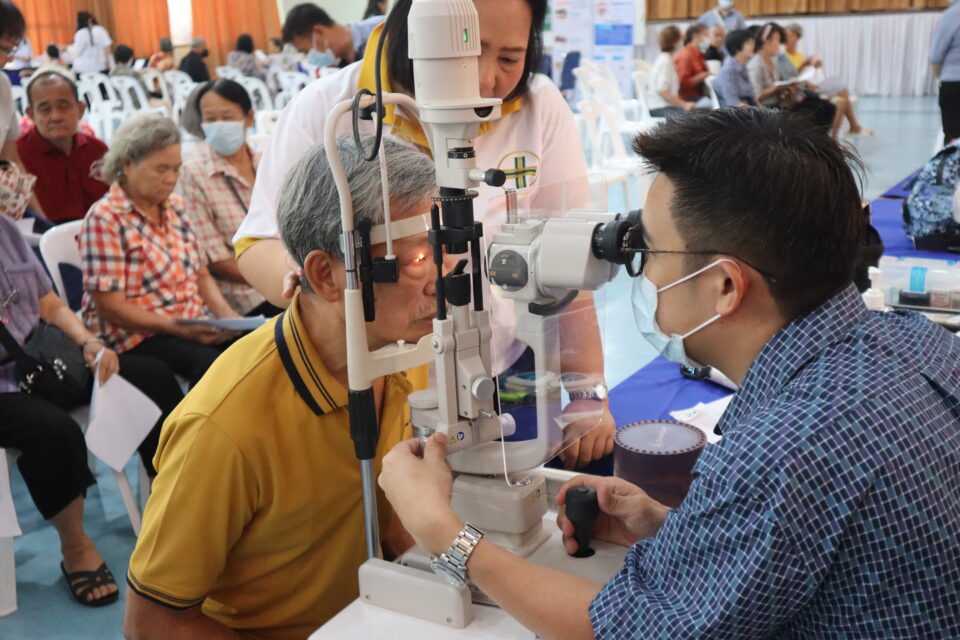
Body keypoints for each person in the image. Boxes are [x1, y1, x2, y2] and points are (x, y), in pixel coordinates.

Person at [379, 108, 960, 640]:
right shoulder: (919, 341)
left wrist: (445, 534)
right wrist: (674, 528)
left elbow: (618, 632)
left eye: (650, 252)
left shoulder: (781, 450)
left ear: (725, 285)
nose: (641, 272)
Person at [236, 0, 615, 469]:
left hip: (500, 368)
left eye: (509, 58)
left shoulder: (539, 107)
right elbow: (257, 243)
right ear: (414, 29)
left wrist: (586, 388)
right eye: (468, 50)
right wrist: (315, 286)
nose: (484, 78)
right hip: (376, 385)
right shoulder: (330, 109)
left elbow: (566, 258)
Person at [123, 135, 434, 639]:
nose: (441, 277)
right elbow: (151, 624)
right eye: (415, 260)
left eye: (441, 248)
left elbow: (392, 527)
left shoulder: (392, 357)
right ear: (326, 275)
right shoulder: (224, 428)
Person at [0, 213, 184, 607]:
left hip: (43, 358)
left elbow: (50, 305)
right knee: (53, 430)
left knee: (151, 376)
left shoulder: (6, 230)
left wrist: (89, 343)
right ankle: (76, 546)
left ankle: (174, 503)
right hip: (5, 384)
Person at [79, 113, 239, 387]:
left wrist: (228, 317)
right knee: (215, 369)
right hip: (138, 335)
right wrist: (178, 328)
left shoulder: (176, 206)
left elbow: (200, 273)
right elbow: (111, 307)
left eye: (176, 169)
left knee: (253, 350)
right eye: (161, 169)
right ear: (127, 165)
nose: (171, 179)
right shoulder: (106, 218)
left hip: (189, 323)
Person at [176, 79, 275, 317]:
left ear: (248, 118)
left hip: (286, 276)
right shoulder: (194, 174)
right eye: (210, 119)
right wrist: (275, 277)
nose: (218, 125)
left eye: (227, 117)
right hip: (245, 294)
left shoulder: (267, 162)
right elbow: (216, 260)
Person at [17, 69, 109, 223]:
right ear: (31, 114)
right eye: (45, 109)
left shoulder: (98, 150)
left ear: (80, 109)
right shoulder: (18, 157)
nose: (56, 117)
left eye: (64, 106)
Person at [778, 23, 871, 140]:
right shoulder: (782, 56)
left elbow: (801, 75)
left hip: (806, 85)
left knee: (841, 88)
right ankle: (852, 127)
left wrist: (813, 67)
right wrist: (804, 65)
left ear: (797, 36)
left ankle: (847, 130)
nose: (786, 38)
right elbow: (791, 77)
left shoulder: (799, 55)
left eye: (789, 35)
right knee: (842, 93)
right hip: (800, 90)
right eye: (785, 35)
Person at [0, 1, 46, 220]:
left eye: (12, 49)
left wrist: (42, 221)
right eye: (5, 49)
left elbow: (11, 162)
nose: (9, 58)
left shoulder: (2, 85)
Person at [748, 23, 835, 131]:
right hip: (768, 109)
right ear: (766, 41)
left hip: (781, 103)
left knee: (828, 108)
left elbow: (783, 82)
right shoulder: (756, 64)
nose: (779, 44)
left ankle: (819, 139)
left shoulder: (772, 61)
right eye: (777, 40)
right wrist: (777, 88)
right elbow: (757, 96)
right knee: (811, 114)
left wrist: (788, 87)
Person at [281, 2, 385, 68]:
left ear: (319, 32)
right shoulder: (341, 67)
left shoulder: (383, 30)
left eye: (305, 51)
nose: (308, 59)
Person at [647, 26, 694, 117]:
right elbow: (663, 91)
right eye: (680, 39)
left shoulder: (665, 59)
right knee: (694, 117)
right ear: (675, 42)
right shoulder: (666, 61)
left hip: (665, 106)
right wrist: (684, 104)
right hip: (660, 108)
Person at [932, 0, 960, 142]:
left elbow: (936, 55)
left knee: (953, 139)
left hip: (954, 83)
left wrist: (939, 74)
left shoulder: (953, 15)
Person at [714, 29, 756, 107]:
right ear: (737, 47)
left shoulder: (743, 67)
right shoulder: (728, 71)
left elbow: (752, 96)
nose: (753, 46)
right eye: (749, 43)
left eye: (752, 43)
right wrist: (759, 111)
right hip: (736, 112)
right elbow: (734, 103)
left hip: (748, 109)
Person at [674, 22, 711, 103]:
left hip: (698, 95)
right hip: (687, 98)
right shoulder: (686, 55)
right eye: (706, 35)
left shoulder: (699, 54)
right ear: (696, 36)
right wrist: (703, 75)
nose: (708, 38)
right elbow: (683, 83)